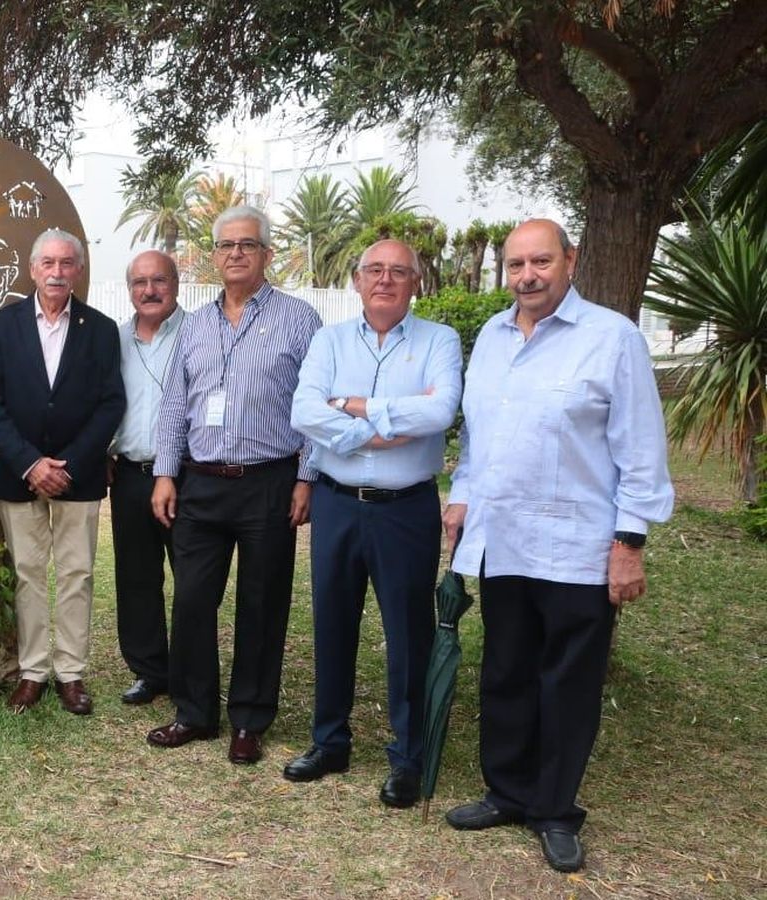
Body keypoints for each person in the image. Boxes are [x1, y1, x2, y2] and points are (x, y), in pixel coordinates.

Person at [442, 219, 673, 872]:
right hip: (502, 540)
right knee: (506, 672)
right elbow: (479, 437)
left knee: (567, 683)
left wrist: (630, 541)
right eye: (516, 265)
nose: (527, 276)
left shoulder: (612, 339)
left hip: (578, 545)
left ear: (570, 261)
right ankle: (506, 792)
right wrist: (462, 493)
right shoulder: (490, 336)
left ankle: (554, 809)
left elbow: (641, 449)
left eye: (541, 261)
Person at [286, 239, 462, 807]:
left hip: (406, 509)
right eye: (374, 271)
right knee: (332, 624)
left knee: (407, 634)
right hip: (336, 503)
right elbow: (304, 411)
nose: (385, 280)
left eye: (399, 272)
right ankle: (329, 742)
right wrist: (386, 426)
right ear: (357, 282)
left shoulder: (440, 340)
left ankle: (407, 757)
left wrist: (354, 406)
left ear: (415, 283)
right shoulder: (328, 340)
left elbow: (440, 411)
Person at [146, 207, 321, 763]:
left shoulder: (300, 319)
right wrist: (165, 472)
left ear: (267, 255)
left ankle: (249, 719)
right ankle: (194, 712)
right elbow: (175, 404)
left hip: (269, 482)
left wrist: (306, 476)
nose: (236, 254)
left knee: (262, 602)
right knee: (193, 599)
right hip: (201, 483)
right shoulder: (194, 324)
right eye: (226, 246)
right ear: (214, 256)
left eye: (247, 244)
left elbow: (317, 406)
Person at [0, 228, 124, 715]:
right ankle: (33, 670)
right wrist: (30, 464)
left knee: (77, 574)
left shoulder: (101, 330)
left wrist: (70, 464)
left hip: (77, 477)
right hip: (18, 475)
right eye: (48, 263)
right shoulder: (2, 326)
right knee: (27, 573)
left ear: (79, 270)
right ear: (33, 268)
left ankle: (71, 672)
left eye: (67, 264)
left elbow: (110, 405)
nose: (57, 272)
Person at [109, 249, 184, 705]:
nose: (149, 290)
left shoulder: (200, 333)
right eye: (140, 282)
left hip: (185, 476)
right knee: (137, 579)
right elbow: (103, 402)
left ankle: (191, 669)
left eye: (159, 280)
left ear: (175, 284)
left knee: (192, 580)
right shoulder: (114, 340)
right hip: (131, 474)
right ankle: (150, 670)